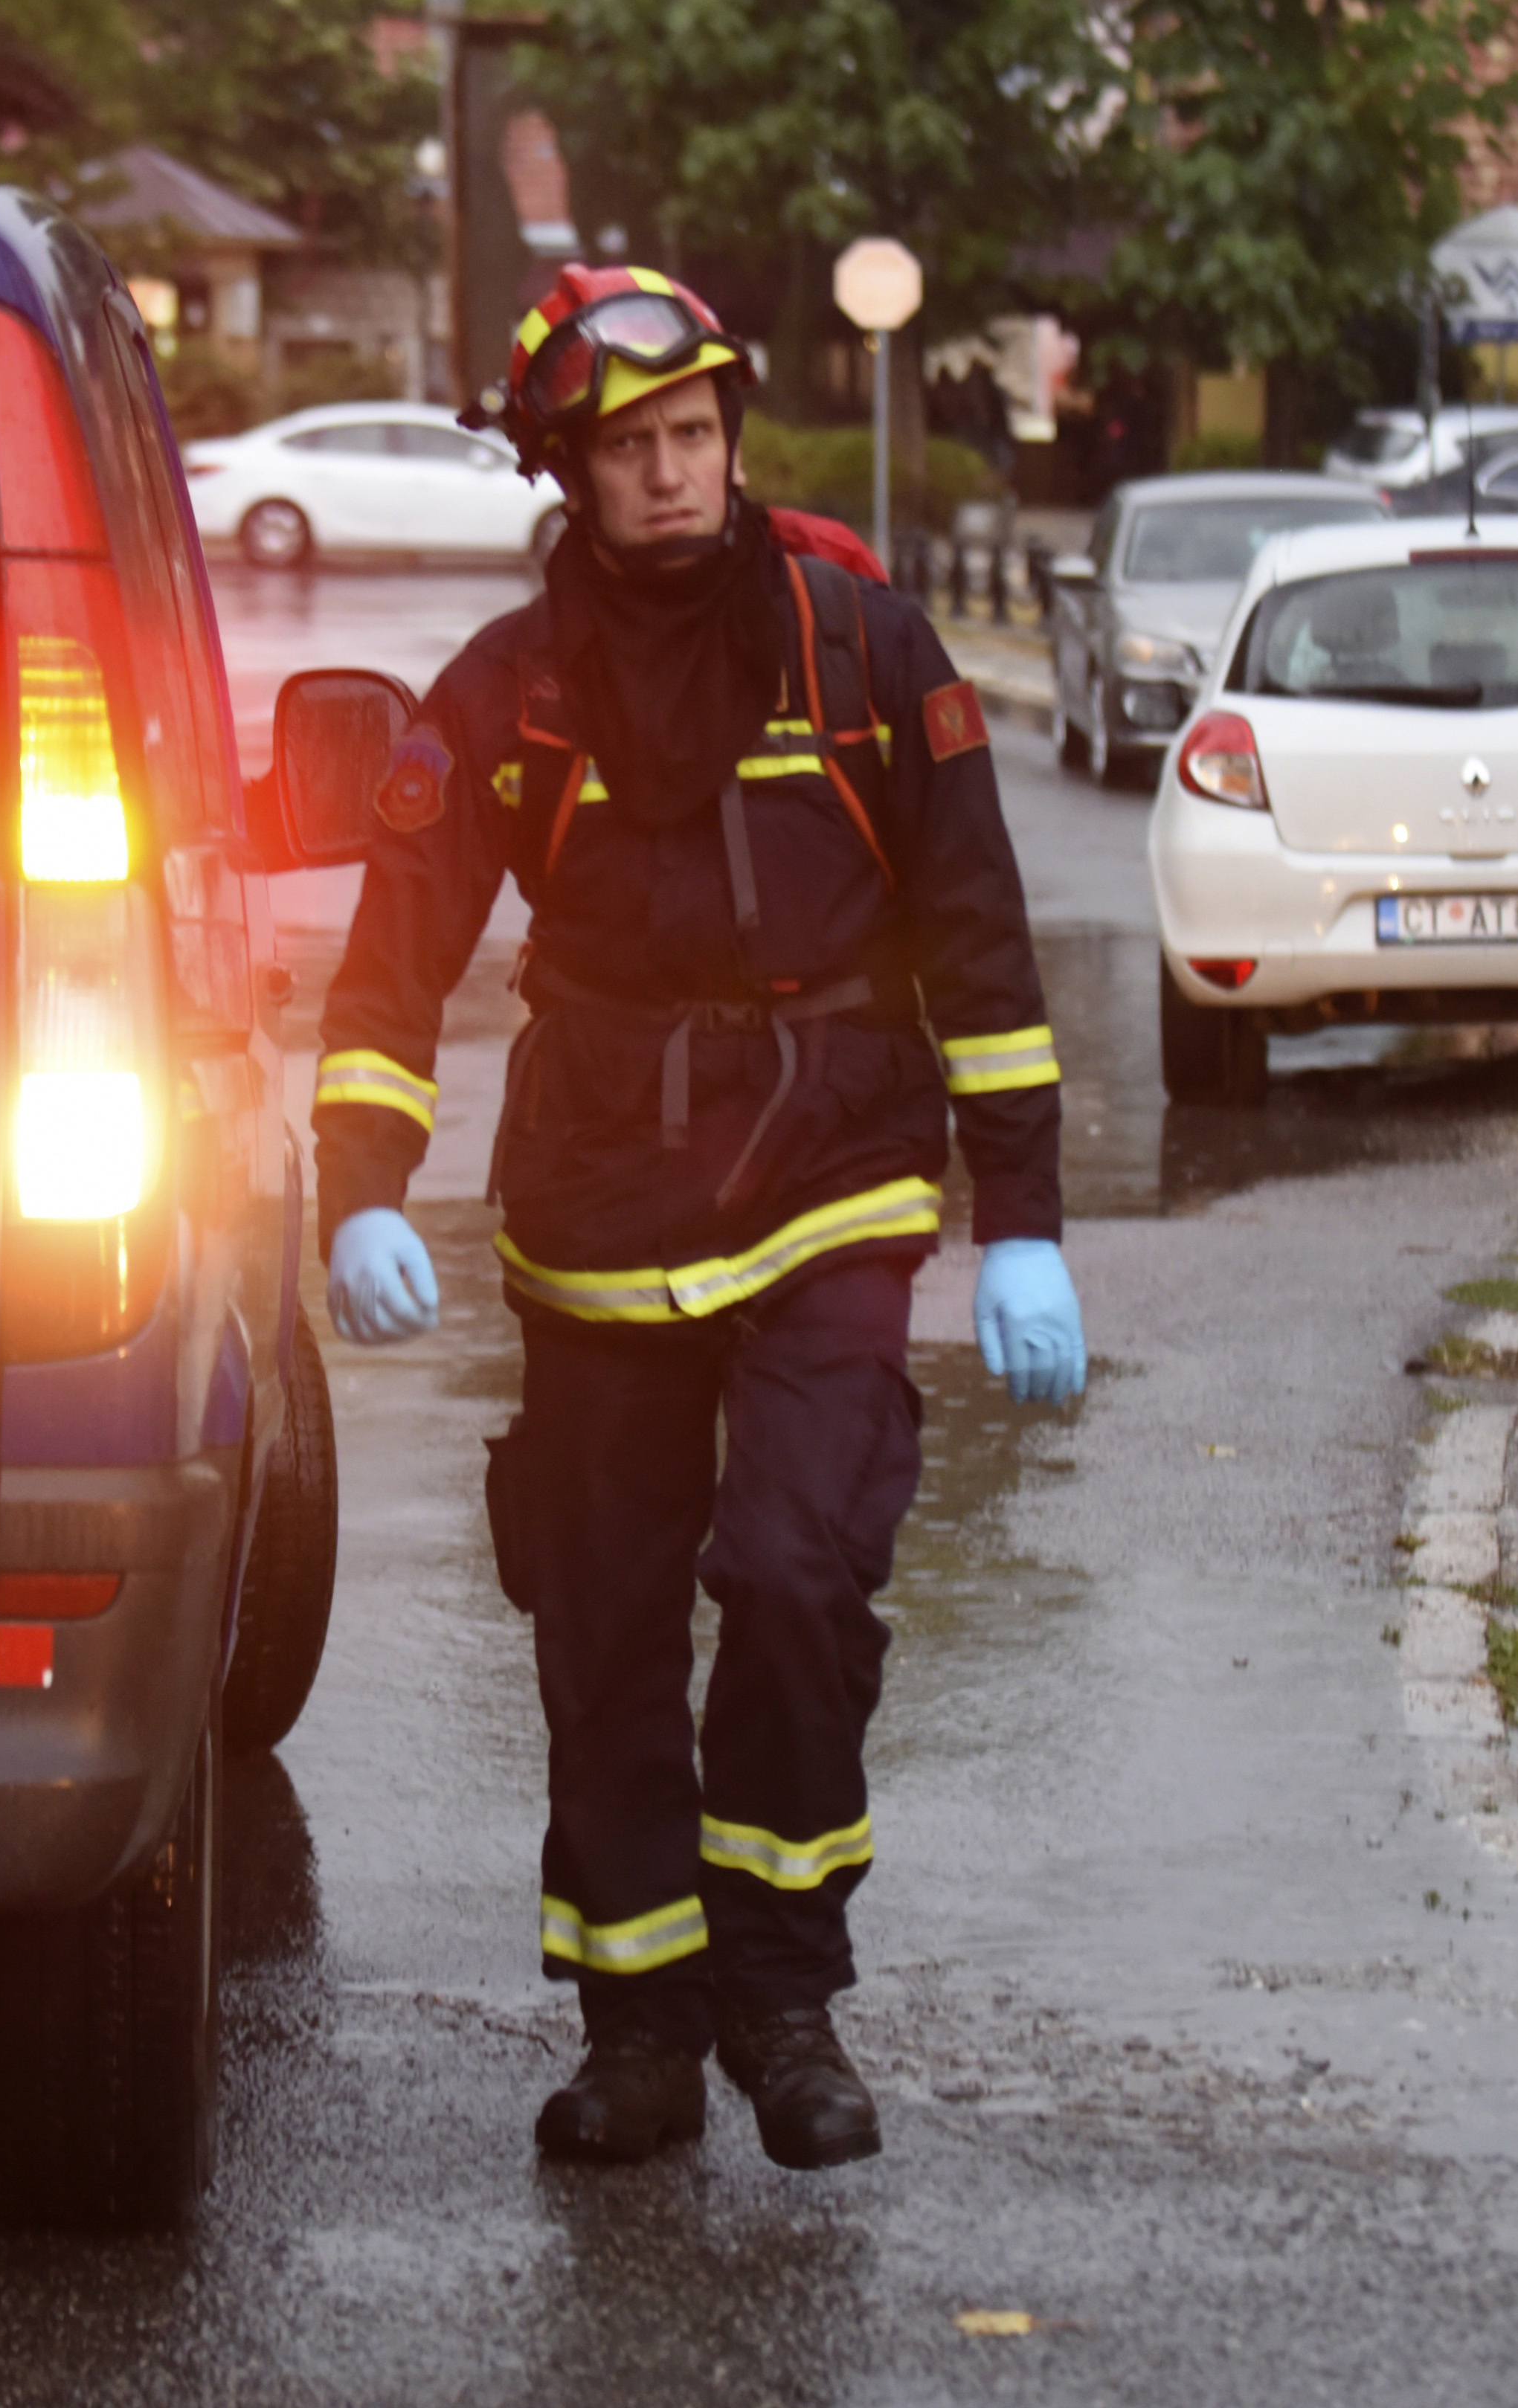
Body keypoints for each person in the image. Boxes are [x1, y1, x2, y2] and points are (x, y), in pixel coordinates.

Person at [312, 265, 1085, 2170]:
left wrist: (1024, 1218)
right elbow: (394, 954)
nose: (668, 475)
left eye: (691, 436)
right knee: (601, 1618)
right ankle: (641, 2024)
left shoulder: (860, 649)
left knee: (801, 1567)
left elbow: (978, 934)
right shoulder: (508, 695)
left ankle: (781, 1994)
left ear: (727, 437)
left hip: (831, 1172)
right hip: (592, 1201)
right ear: (567, 473)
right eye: (628, 449)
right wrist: (354, 1190)